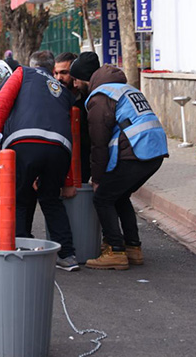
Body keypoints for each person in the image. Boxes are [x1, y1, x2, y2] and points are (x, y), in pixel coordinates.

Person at [69, 52, 168, 270]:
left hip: (135, 152)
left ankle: (115, 250)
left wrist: (97, 178)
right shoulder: (125, 88)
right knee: (120, 196)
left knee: (103, 198)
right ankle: (133, 248)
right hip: (154, 151)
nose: (74, 85)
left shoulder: (99, 97)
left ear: (85, 79)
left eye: (75, 80)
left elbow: (99, 144)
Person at [0, 50, 79, 271]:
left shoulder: (22, 73)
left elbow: (2, 102)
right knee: (50, 199)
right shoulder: (63, 91)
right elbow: (71, 130)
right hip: (60, 149)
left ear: (32, 64)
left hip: (25, 142)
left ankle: (19, 251)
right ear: (50, 68)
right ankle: (67, 255)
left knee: (19, 196)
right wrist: (69, 179)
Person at [53, 51, 92, 191]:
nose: (59, 78)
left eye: (64, 73)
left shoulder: (89, 98)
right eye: (56, 73)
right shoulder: (53, 99)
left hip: (83, 161)